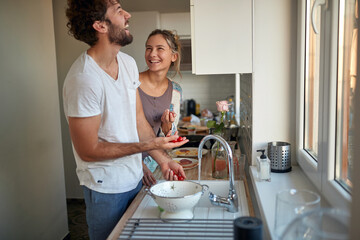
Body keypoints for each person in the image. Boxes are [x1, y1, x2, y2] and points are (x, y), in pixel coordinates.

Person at [63, 1, 188, 239]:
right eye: (119, 11)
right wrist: (151, 146)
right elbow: (88, 151)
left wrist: (162, 161)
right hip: (106, 188)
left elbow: (139, 120)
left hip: (135, 181)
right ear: (100, 25)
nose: (128, 15)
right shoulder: (83, 79)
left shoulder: (128, 64)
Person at [139, 29, 183, 187]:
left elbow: (169, 134)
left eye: (160, 48)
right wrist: (137, 166)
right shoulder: (131, 83)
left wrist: (167, 125)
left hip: (154, 166)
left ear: (173, 56)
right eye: (148, 48)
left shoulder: (176, 90)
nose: (152, 54)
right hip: (125, 165)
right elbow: (116, 131)